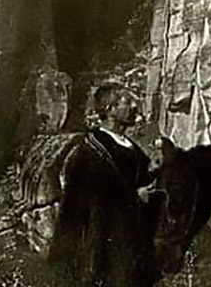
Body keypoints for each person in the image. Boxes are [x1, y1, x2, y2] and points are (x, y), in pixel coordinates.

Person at [48, 82, 159, 287]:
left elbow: (142, 183)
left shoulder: (131, 147)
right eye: (127, 102)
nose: (134, 107)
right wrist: (134, 197)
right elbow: (83, 202)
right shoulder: (90, 150)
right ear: (110, 109)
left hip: (133, 240)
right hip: (105, 243)